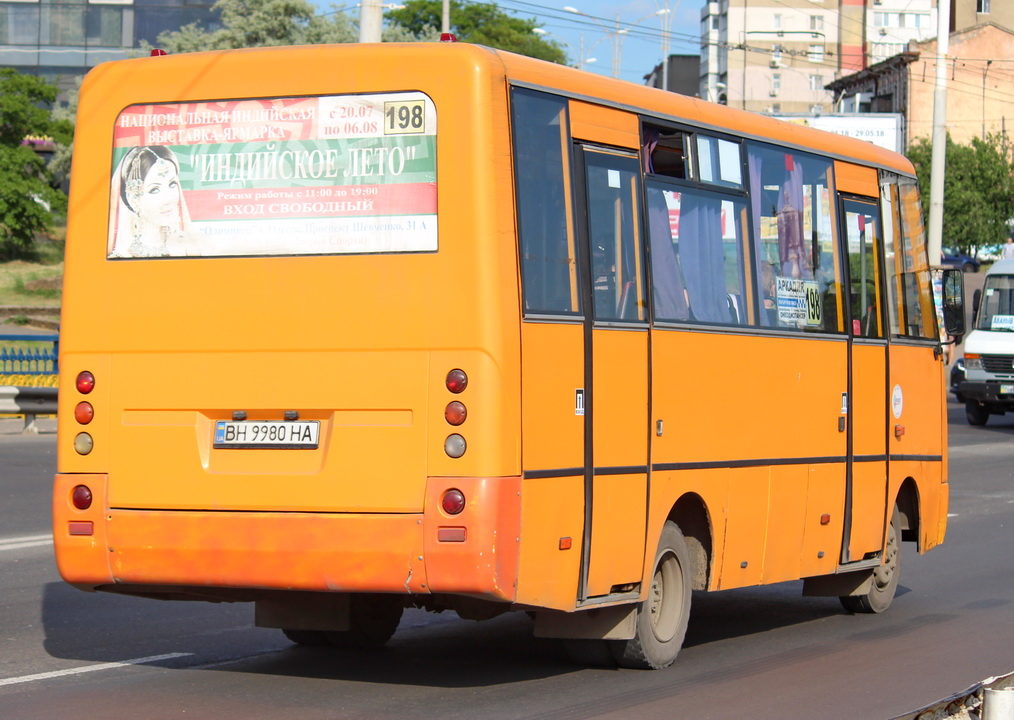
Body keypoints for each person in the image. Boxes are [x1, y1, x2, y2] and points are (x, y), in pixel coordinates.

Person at [108, 145, 198, 257]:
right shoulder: (121, 257)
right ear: (133, 200)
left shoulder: (189, 248)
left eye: (172, 184)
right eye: (154, 190)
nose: (168, 198)